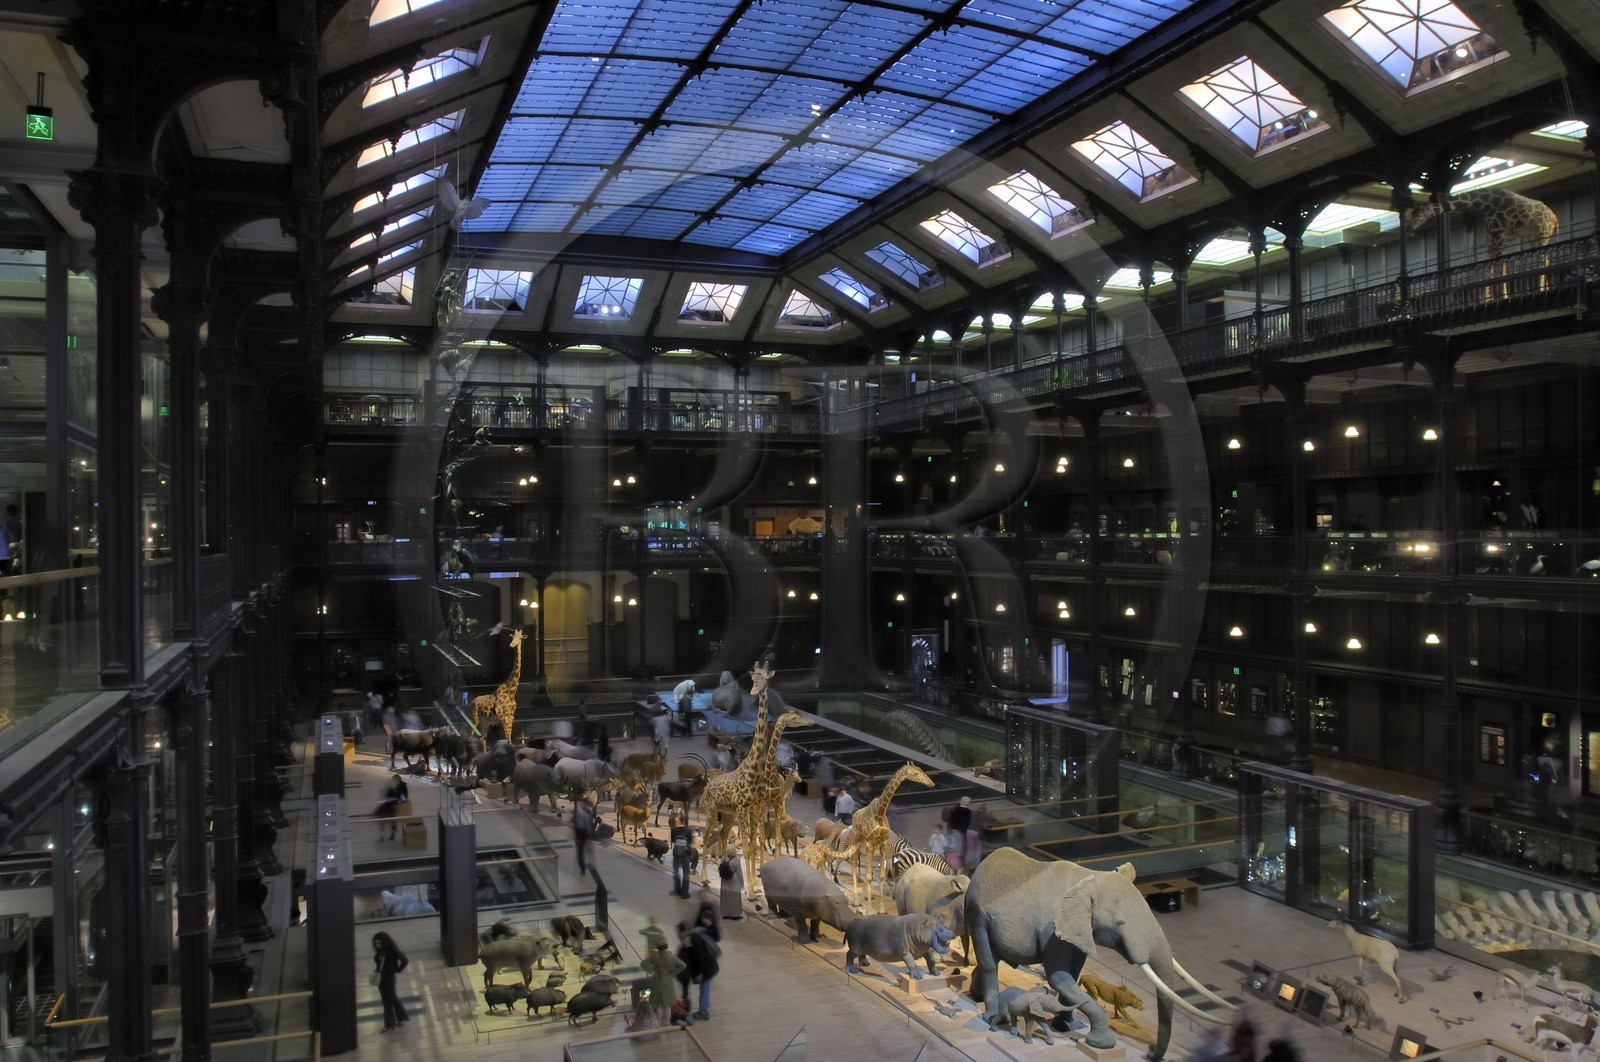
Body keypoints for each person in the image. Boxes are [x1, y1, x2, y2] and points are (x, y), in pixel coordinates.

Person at [677, 916, 721, 1021]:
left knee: (705, 990)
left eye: (681, 937)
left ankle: (704, 1012)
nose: (681, 939)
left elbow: (701, 958)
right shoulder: (691, 940)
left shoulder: (695, 941)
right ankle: (703, 1010)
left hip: (707, 969)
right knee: (704, 990)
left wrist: (700, 973)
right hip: (707, 968)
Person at [371, 931, 409, 1031]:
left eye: (379, 943)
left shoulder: (393, 950)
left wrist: (397, 970)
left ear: (384, 942)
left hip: (389, 977)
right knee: (385, 1000)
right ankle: (389, 1024)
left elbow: (405, 960)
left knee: (392, 998)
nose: (377, 945)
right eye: (376, 944)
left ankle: (401, 1018)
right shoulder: (381, 952)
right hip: (381, 977)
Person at [375, 774, 408, 840]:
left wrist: (394, 798)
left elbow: (403, 797)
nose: (393, 781)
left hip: (399, 801)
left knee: (388, 808)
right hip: (395, 801)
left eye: (394, 780)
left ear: (396, 780)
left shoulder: (402, 786)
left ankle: (386, 831)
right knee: (388, 802)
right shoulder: (398, 786)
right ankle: (389, 831)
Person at [669, 812, 694, 897]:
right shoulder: (688, 831)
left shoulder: (674, 830)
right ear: (685, 820)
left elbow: (672, 841)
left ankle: (677, 890)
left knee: (676, 873)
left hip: (676, 854)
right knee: (686, 874)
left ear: (678, 820)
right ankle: (684, 892)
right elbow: (690, 842)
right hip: (685, 855)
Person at [719, 845, 745, 919]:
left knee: (725, 896)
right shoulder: (737, 859)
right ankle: (735, 914)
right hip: (734, 879)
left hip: (725, 879)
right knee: (734, 897)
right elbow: (739, 871)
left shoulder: (724, 857)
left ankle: (725, 913)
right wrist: (742, 882)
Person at [946, 796, 972, 870]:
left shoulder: (955, 809)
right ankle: (960, 862)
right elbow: (967, 823)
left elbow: (950, 819)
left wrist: (950, 828)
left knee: (952, 845)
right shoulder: (968, 812)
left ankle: (951, 860)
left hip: (953, 830)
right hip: (961, 831)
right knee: (962, 847)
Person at [572, 796, 596, 874]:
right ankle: (583, 867)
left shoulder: (587, 812)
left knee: (586, 851)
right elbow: (577, 825)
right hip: (582, 833)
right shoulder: (581, 812)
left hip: (585, 833)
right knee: (582, 852)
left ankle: (589, 866)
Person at [0, 504, 20, 576]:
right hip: (8, 554)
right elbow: (13, 540)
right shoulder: (11, 523)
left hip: (7, 554)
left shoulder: (6, 523)